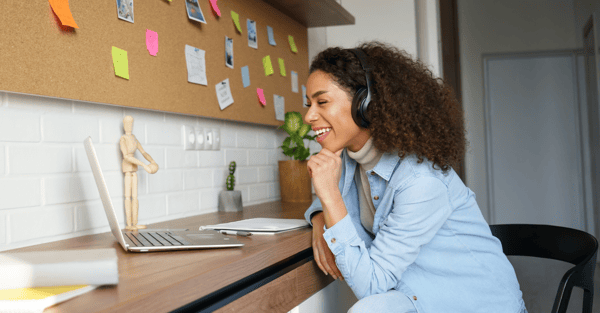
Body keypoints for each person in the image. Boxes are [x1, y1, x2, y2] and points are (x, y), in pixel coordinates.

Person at [303, 41, 527, 313]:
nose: (308, 116)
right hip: (419, 295)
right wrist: (318, 217)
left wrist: (330, 197)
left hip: (478, 304)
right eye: (309, 104)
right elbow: (328, 197)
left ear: (365, 103)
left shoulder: (421, 180)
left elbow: (371, 285)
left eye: (322, 102)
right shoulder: (347, 159)